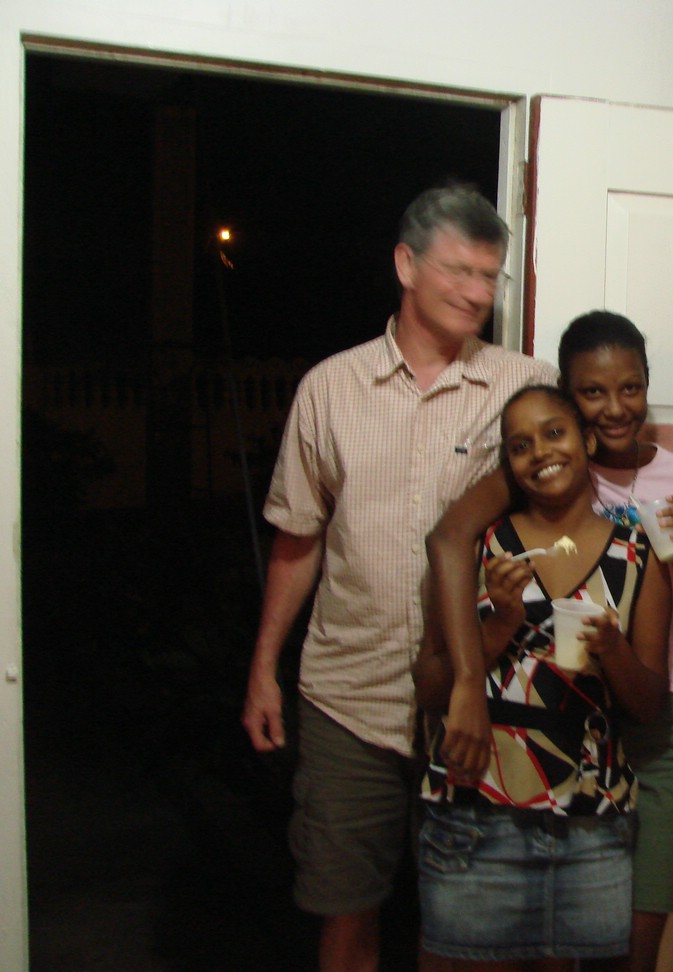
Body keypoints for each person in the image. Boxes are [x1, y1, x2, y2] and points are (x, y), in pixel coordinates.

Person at [240, 184, 557, 972]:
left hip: (480, 697)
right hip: (349, 698)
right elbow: (298, 540)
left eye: (489, 276)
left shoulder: (523, 385)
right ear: (406, 265)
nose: (477, 294)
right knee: (346, 914)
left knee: (466, 926)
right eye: (459, 271)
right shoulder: (330, 388)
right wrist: (263, 669)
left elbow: (599, 452)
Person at [423, 311, 673, 972]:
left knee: (619, 941)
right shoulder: (514, 500)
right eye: (592, 393)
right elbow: (448, 542)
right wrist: (480, 658)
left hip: (628, 750)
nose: (614, 408)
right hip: (515, 767)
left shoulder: (671, 501)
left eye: (630, 388)